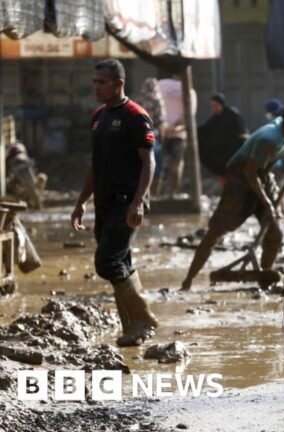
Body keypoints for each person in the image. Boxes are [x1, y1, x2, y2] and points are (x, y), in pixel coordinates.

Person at [180, 97, 284, 291]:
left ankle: (264, 276)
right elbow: (249, 172)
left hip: (262, 176)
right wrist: (267, 202)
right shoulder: (268, 139)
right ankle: (188, 280)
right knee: (215, 232)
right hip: (241, 182)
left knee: (274, 233)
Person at [70, 59, 159, 347]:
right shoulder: (98, 116)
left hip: (127, 202)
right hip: (104, 203)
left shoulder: (135, 115)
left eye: (101, 82)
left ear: (118, 83)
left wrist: (139, 201)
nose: (96, 87)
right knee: (120, 262)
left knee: (107, 262)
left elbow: (149, 161)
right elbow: (94, 166)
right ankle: (132, 329)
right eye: (94, 82)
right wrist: (82, 200)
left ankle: (143, 318)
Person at [155, 76, 197, 197]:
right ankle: (173, 193)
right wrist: (176, 128)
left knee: (158, 163)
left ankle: (155, 194)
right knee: (177, 164)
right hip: (179, 134)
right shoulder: (189, 90)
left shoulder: (160, 84)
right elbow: (189, 115)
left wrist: (164, 127)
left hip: (161, 131)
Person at [197, 92, 248, 177]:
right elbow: (205, 128)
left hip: (234, 149)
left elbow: (241, 132)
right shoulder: (216, 118)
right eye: (212, 107)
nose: (214, 109)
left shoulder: (233, 115)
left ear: (222, 104)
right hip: (222, 149)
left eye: (216, 106)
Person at [132, 77, 167, 181]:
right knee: (155, 161)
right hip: (152, 133)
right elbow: (161, 121)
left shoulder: (138, 99)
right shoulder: (157, 100)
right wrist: (163, 138)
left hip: (137, 133)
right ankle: (154, 189)